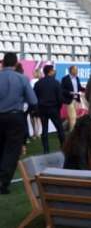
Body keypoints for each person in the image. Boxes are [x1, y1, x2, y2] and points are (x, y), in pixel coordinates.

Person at [0, 53, 37, 194]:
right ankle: (3, 182)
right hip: (15, 117)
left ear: (2, 63)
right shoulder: (22, 78)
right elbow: (33, 100)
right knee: (12, 150)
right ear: (16, 64)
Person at [34, 65, 65, 154]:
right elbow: (60, 98)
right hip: (54, 108)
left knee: (44, 130)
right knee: (60, 129)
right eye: (53, 70)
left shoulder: (38, 83)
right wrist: (58, 107)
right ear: (50, 71)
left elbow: (35, 97)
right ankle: (63, 147)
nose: (54, 72)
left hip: (42, 109)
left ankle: (46, 150)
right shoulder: (56, 83)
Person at [61, 65, 84, 131]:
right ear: (71, 70)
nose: (77, 71)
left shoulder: (77, 78)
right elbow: (62, 90)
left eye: (77, 70)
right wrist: (70, 92)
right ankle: (72, 132)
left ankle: (63, 127)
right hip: (69, 100)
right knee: (73, 117)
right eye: (75, 70)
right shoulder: (65, 79)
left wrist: (86, 89)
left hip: (76, 100)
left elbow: (79, 88)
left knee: (72, 117)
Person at [28, 68, 43, 140]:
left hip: (33, 101)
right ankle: (38, 133)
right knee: (38, 118)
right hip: (39, 101)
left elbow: (30, 92)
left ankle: (35, 133)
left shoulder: (32, 81)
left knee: (33, 118)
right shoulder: (41, 81)